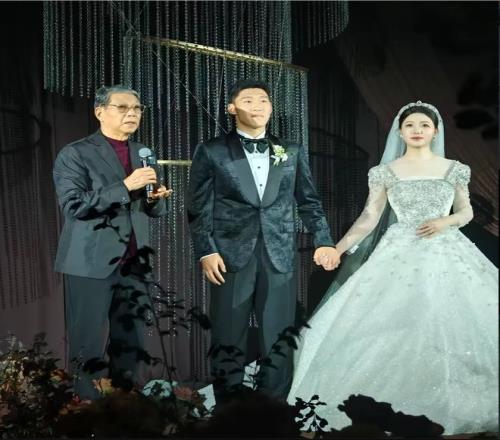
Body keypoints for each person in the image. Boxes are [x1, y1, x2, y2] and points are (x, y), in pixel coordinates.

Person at [287, 101, 499, 435]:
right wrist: (337, 249)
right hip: (399, 249)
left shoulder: (454, 168)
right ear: (400, 131)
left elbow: (466, 212)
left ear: (435, 131)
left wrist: (444, 221)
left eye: (424, 125)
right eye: (410, 125)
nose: (417, 130)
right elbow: (369, 217)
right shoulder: (385, 172)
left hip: (446, 248)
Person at [187, 79, 340, 403]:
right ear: (231, 108)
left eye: (263, 100)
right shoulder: (212, 150)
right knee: (228, 336)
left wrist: (324, 241)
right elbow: (198, 207)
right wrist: (206, 250)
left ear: (271, 108)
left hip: (279, 255)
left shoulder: (291, 150)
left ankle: (274, 412)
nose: (257, 106)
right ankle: (228, 414)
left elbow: (309, 201)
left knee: (279, 338)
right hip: (229, 257)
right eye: (248, 100)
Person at [53, 85, 172, 399]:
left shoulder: (143, 153)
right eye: (123, 107)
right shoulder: (75, 153)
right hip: (89, 262)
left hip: (134, 264)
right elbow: (74, 206)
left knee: (132, 343)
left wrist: (156, 199)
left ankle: (124, 408)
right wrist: (125, 186)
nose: (132, 114)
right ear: (99, 112)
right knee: (88, 345)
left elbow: (153, 209)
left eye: (137, 109)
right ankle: (86, 410)